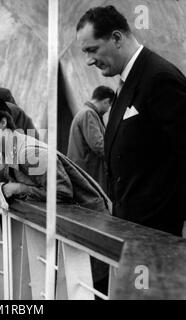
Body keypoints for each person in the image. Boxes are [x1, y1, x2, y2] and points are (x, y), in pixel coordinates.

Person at [76, 5, 186, 236]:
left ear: (116, 38)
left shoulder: (160, 78)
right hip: (130, 227)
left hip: (155, 234)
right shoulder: (127, 79)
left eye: (92, 49)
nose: (88, 60)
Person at [0, 95, 110, 213]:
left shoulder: (30, 153)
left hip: (91, 222)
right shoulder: (5, 152)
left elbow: (62, 193)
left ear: (3, 122)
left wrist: (18, 189)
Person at [67, 86, 114, 191]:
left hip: (84, 174)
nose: (107, 110)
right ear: (106, 101)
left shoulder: (85, 112)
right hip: (89, 175)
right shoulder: (89, 113)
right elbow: (99, 145)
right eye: (109, 106)